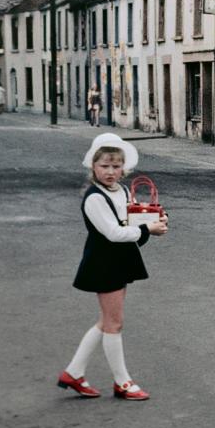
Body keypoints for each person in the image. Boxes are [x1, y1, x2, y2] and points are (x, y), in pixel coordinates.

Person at [57, 133, 169, 401]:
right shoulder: (94, 198)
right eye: (104, 165)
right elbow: (114, 233)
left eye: (116, 166)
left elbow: (129, 219)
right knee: (114, 324)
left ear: (124, 167)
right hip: (104, 263)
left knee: (106, 321)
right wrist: (147, 229)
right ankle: (123, 382)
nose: (110, 171)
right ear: (93, 166)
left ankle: (73, 372)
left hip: (118, 260)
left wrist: (156, 217)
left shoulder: (123, 190)